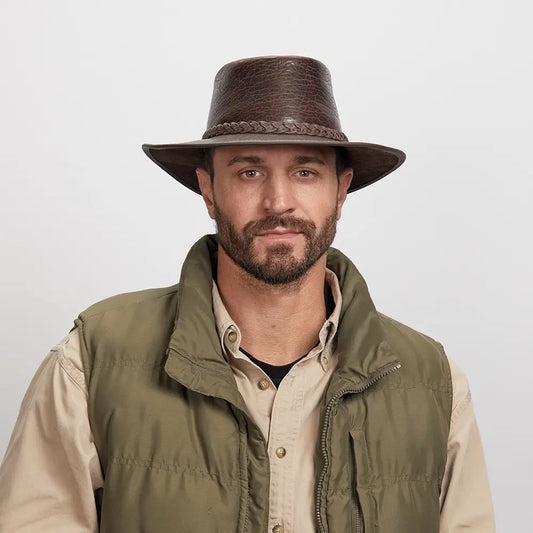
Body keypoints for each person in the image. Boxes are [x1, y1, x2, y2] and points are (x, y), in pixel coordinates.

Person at [0, 56, 495, 533]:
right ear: (209, 191)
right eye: (249, 172)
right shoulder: (91, 360)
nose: (278, 202)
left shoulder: (433, 380)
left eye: (305, 172)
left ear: (340, 192)